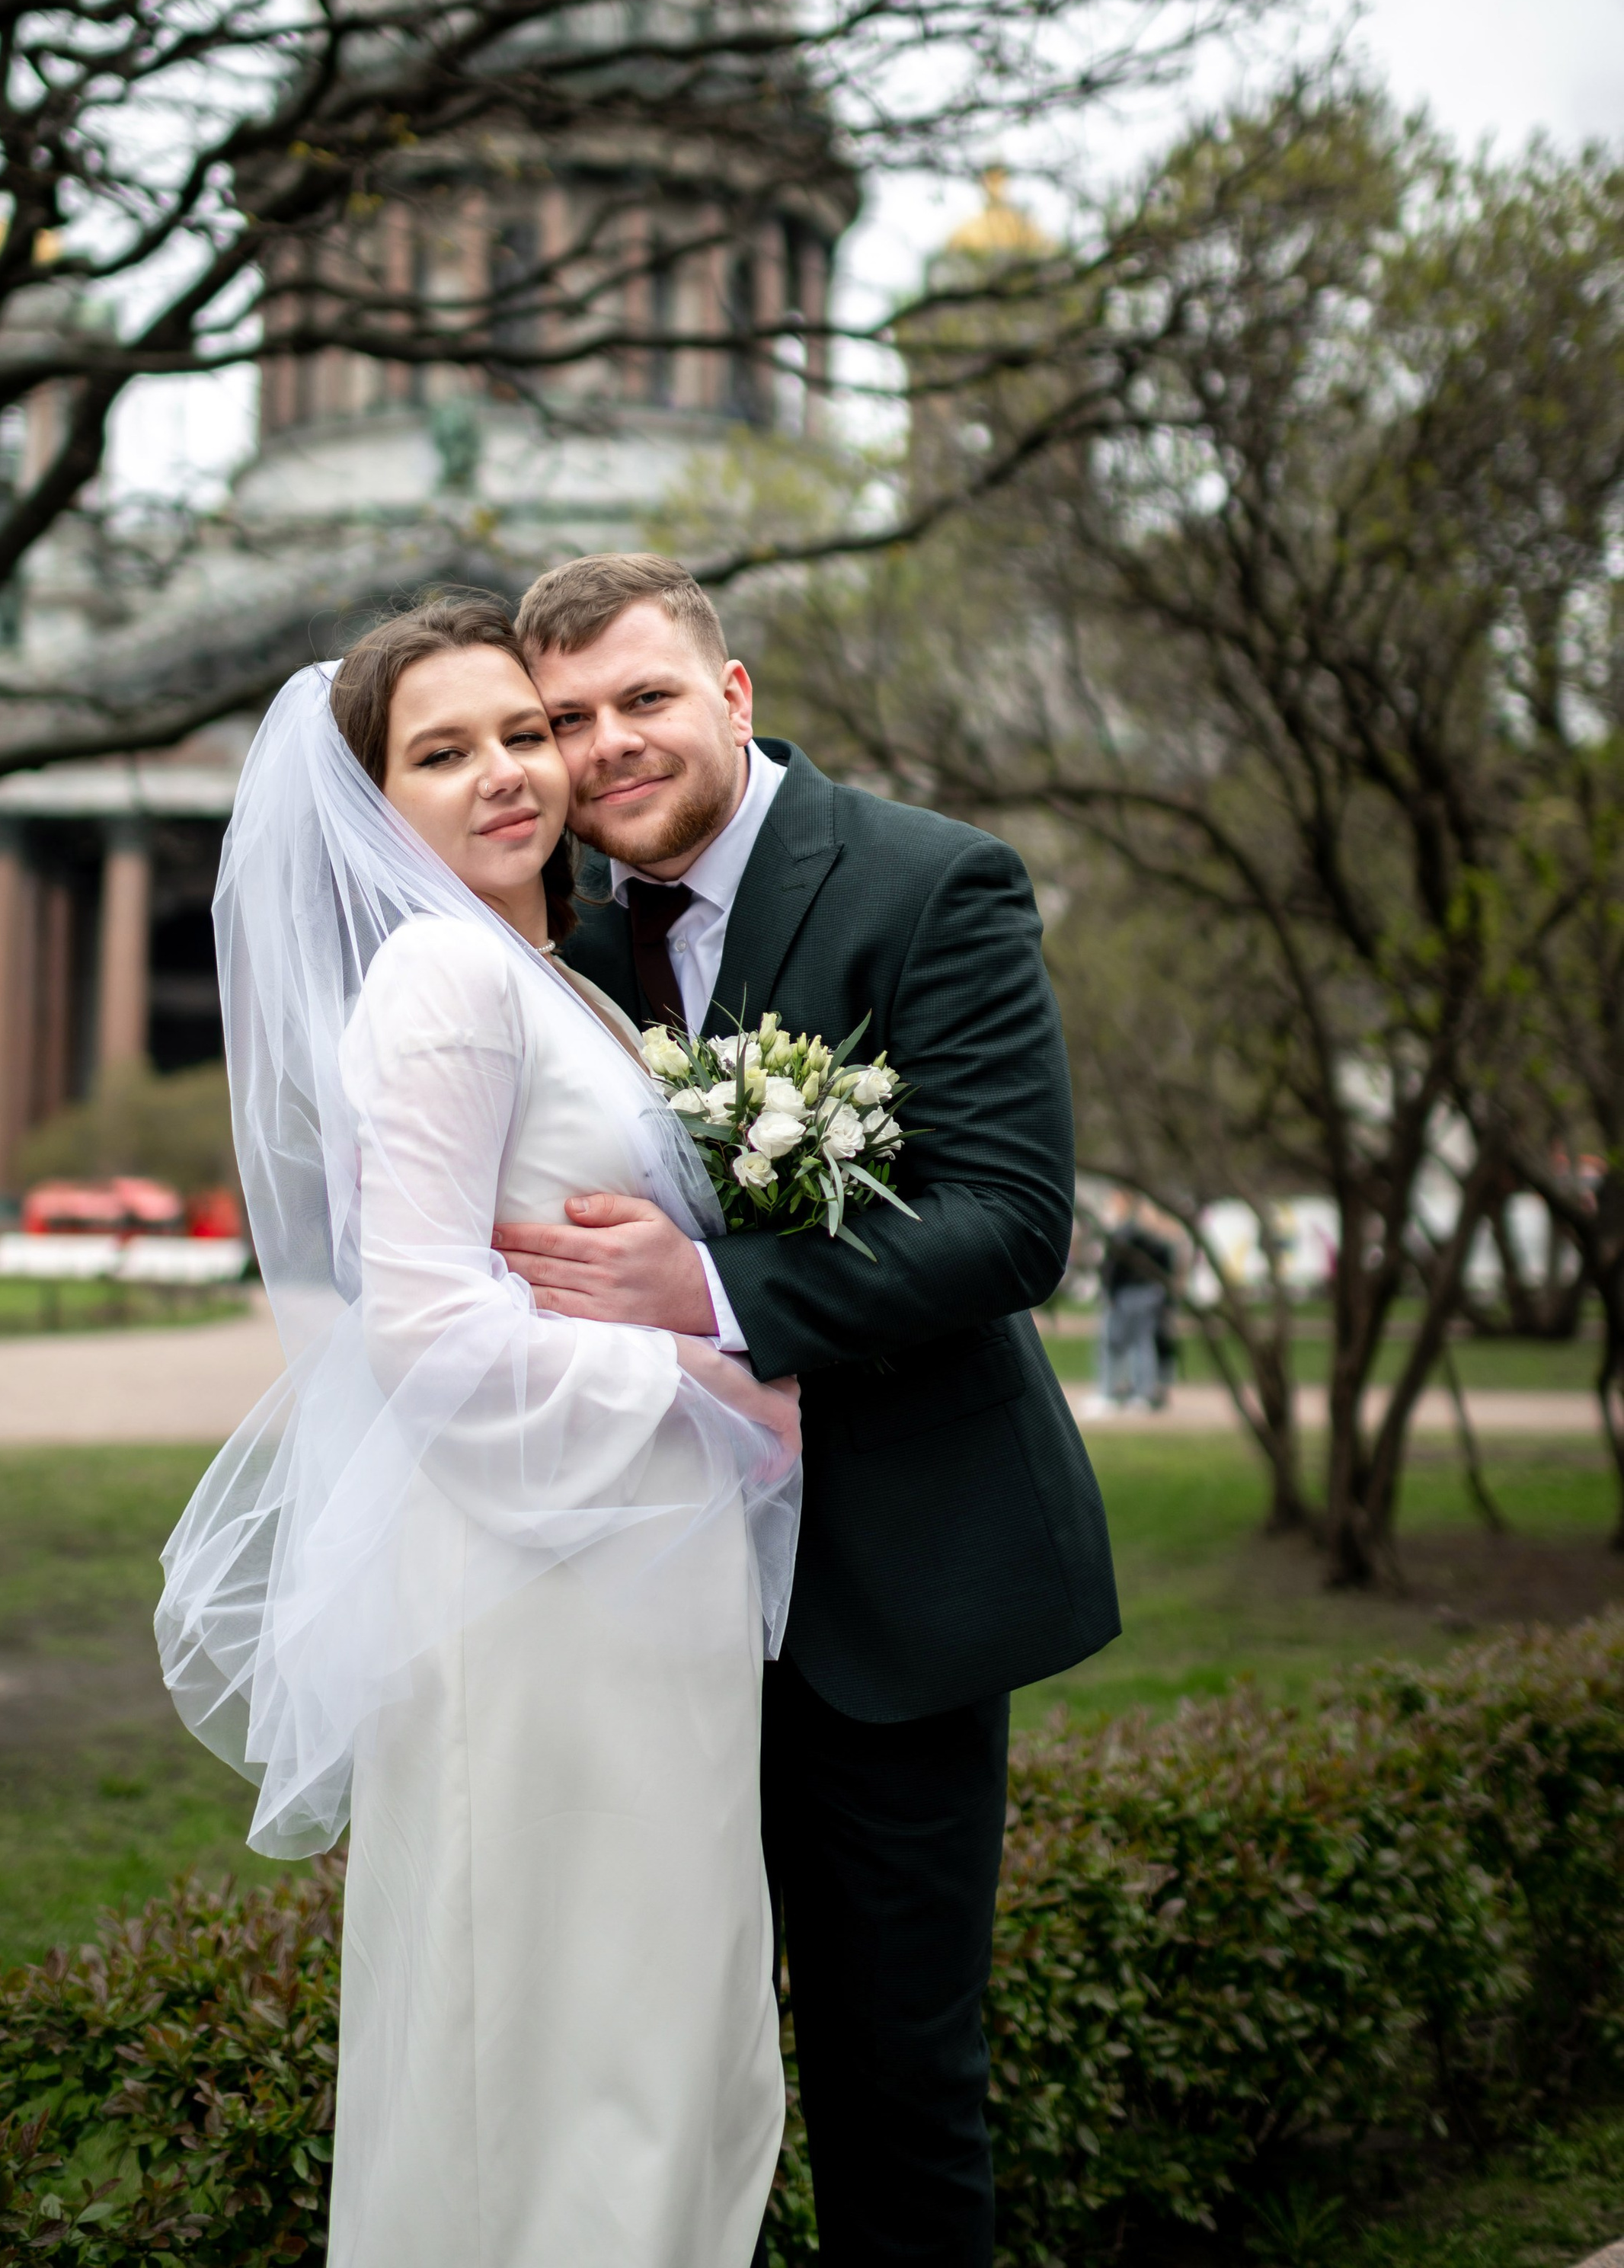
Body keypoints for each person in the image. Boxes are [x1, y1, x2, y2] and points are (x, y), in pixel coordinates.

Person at [155, 596, 804, 2268]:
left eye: (523, 731)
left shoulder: (542, 975)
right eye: (441, 753)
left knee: (647, 2016)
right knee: (559, 2041)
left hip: (621, 1575)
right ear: (376, 803)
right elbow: (425, 1324)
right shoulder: (445, 975)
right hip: (541, 1588)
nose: (508, 773)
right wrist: (700, 1383)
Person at [495, 552, 1120, 2268]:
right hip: (638, 1592)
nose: (605, 748)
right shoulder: (542, 936)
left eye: (640, 700)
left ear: (732, 692)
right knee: (656, 2059)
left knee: (890, 2067)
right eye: (563, 723)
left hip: (884, 1583)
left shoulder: (927, 881)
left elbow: (1009, 1222)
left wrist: (706, 1293)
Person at [1097, 1198, 1179, 1412]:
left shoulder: (1128, 1237)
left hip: (1132, 1294)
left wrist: (1112, 1292)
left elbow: (1114, 1267)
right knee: (1141, 1345)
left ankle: (1116, 1391)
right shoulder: (1157, 1239)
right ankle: (1139, 1391)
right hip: (1149, 1293)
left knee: (1121, 1344)